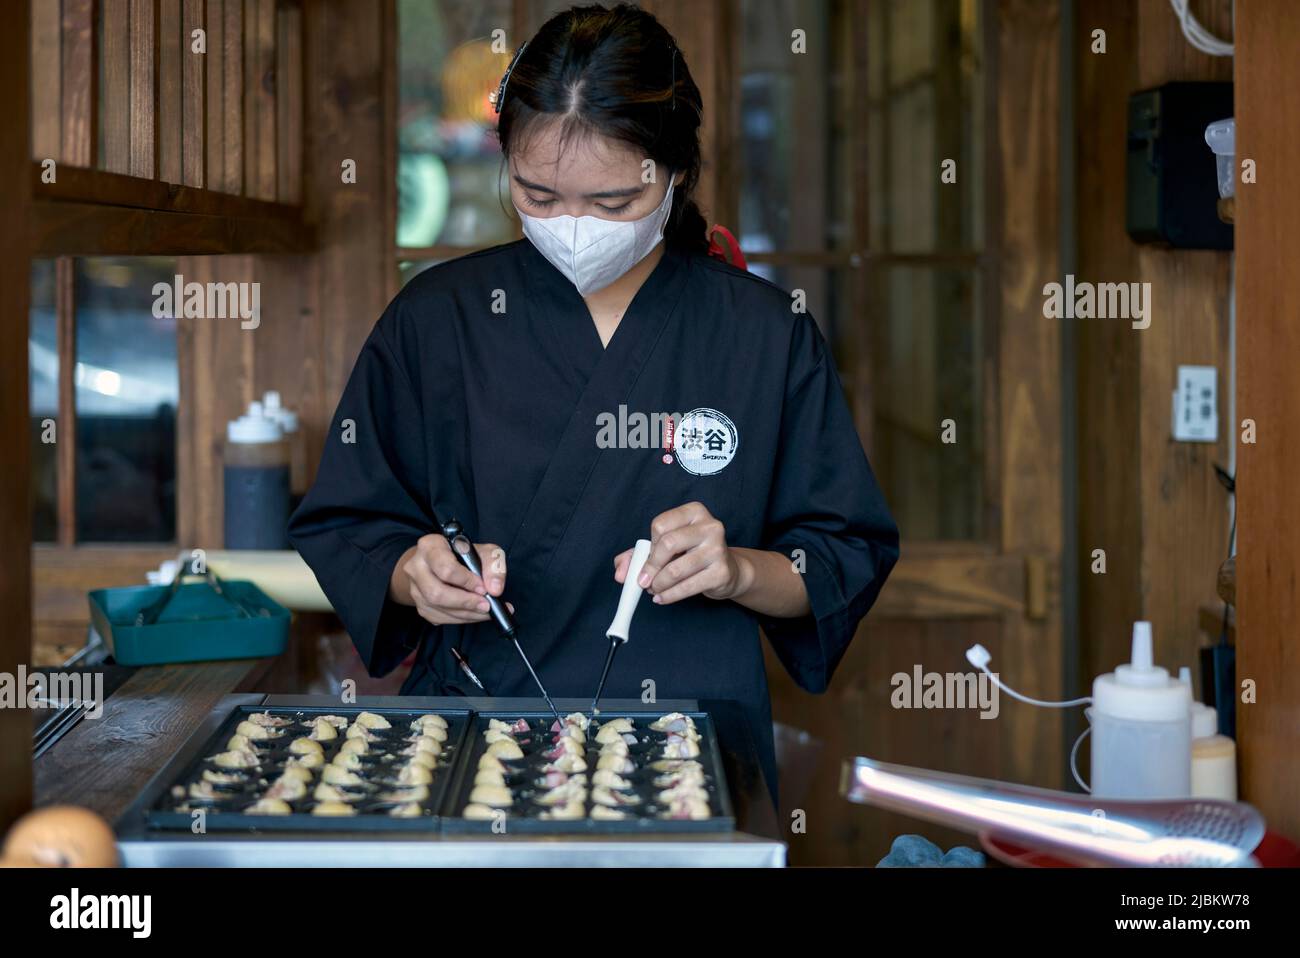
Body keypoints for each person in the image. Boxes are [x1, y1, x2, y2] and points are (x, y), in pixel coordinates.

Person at [288, 3, 899, 808]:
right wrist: (412, 572)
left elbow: (843, 551)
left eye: (610, 204)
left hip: (691, 743)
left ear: (674, 172)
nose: (572, 226)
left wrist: (739, 569)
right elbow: (349, 524)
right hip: (475, 734)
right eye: (537, 194)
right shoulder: (438, 320)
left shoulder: (760, 333)